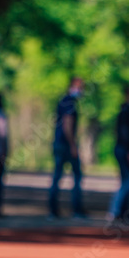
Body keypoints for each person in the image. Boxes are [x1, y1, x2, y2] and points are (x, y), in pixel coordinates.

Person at [48, 77, 87, 219]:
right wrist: (72, 145)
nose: (81, 90)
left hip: (58, 143)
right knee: (76, 176)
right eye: (80, 86)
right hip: (65, 144)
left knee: (57, 176)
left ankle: (53, 211)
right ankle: (76, 210)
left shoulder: (63, 100)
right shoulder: (70, 102)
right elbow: (67, 124)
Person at [106, 85, 129, 226]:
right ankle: (115, 211)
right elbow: (124, 133)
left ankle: (123, 213)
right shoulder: (126, 112)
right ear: (127, 96)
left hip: (123, 149)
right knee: (128, 180)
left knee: (127, 180)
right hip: (123, 149)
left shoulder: (128, 111)